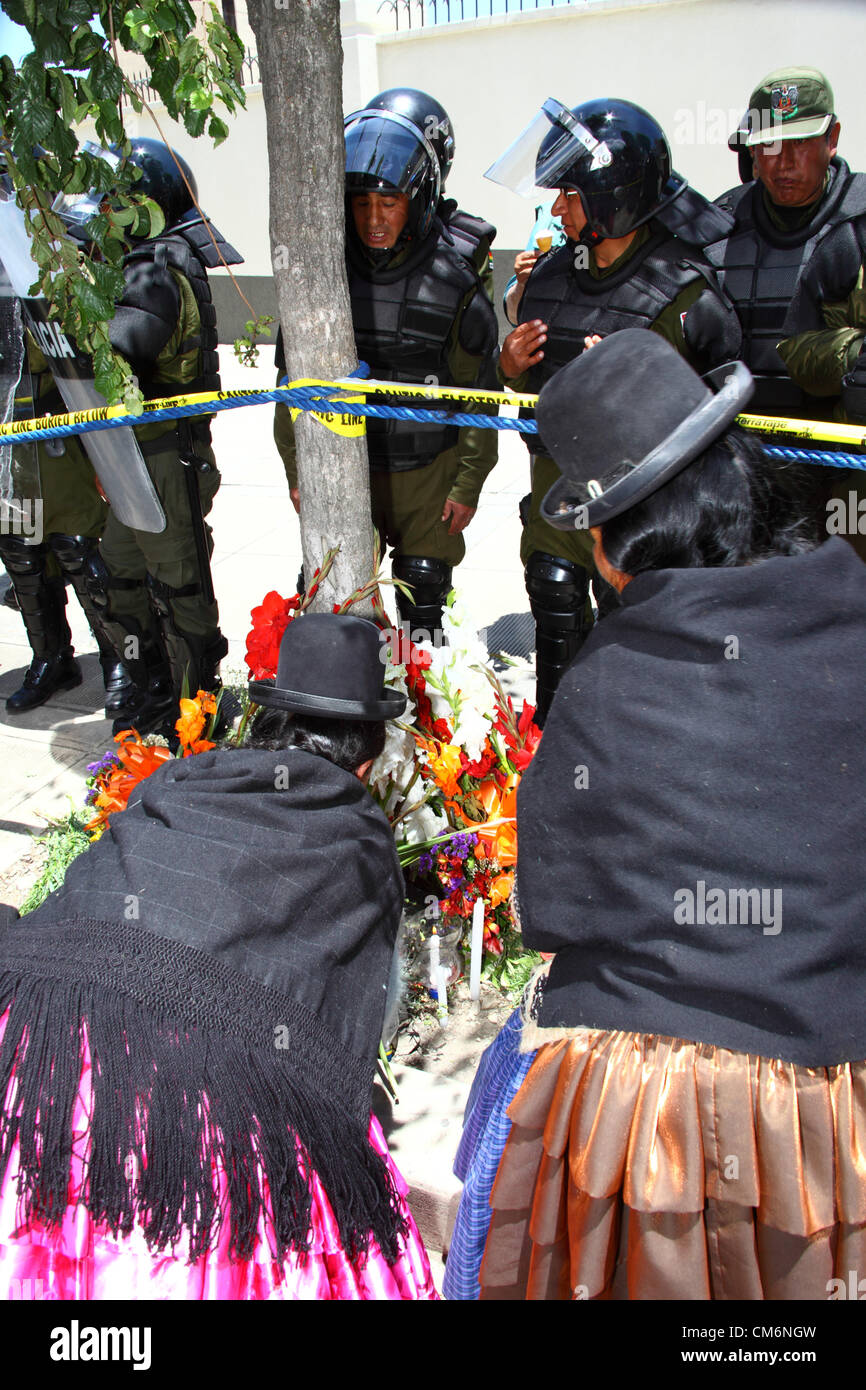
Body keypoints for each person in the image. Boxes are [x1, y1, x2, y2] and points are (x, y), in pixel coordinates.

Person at [446, 330, 866, 1301]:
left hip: (658, 1118)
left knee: (496, 1126)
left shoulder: (613, 678)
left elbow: (551, 909)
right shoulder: (849, 600)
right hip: (836, 1100)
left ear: (615, 538)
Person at [0, 613, 438, 1300]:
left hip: (44, 1051)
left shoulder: (185, 780)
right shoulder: (355, 838)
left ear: (271, 723)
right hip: (199, 1115)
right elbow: (355, 1018)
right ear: (366, 760)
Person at [485, 97, 741, 722]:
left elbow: (716, 415)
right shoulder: (549, 277)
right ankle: (550, 745)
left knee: (634, 624)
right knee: (553, 596)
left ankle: (631, 743)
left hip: (643, 505)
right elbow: (528, 389)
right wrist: (509, 367)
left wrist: (639, 378)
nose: (558, 209)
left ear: (614, 198)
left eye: (571, 194)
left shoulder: (684, 291)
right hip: (559, 488)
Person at [274, 102, 498, 639]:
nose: (374, 218)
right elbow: (292, 387)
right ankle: (353, 714)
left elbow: (481, 392)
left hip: (429, 471)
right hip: (347, 466)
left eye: (390, 201)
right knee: (332, 596)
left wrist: (467, 483)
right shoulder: (321, 273)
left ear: (417, 198)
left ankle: (421, 716)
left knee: (421, 607)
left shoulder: (455, 276)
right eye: (361, 202)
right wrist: (298, 470)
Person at [59, 138, 243, 733]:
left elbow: (119, 350)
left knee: (181, 589)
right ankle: (151, 686)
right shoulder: (142, 261)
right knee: (119, 576)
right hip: (130, 455)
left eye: (113, 206)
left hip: (167, 457)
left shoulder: (157, 267)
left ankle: (194, 711)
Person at [708, 67, 866, 557]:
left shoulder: (860, 224)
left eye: (798, 144)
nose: (782, 163)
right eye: (768, 146)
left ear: (832, 137)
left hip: (847, 473)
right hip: (744, 468)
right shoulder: (718, 224)